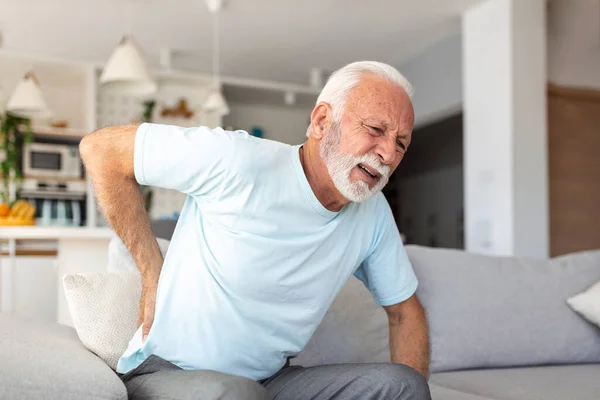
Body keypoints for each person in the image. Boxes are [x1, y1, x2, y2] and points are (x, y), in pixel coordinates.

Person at [80, 61, 431, 400]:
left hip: (271, 382)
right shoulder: (235, 158)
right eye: (375, 129)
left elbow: (405, 312)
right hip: (171, 373)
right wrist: (151, 272)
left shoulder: (373, 214)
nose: (387, 153)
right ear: (323, 121)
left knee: (403, 385)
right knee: (235, 394)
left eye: (401, 143)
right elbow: (101, 151)